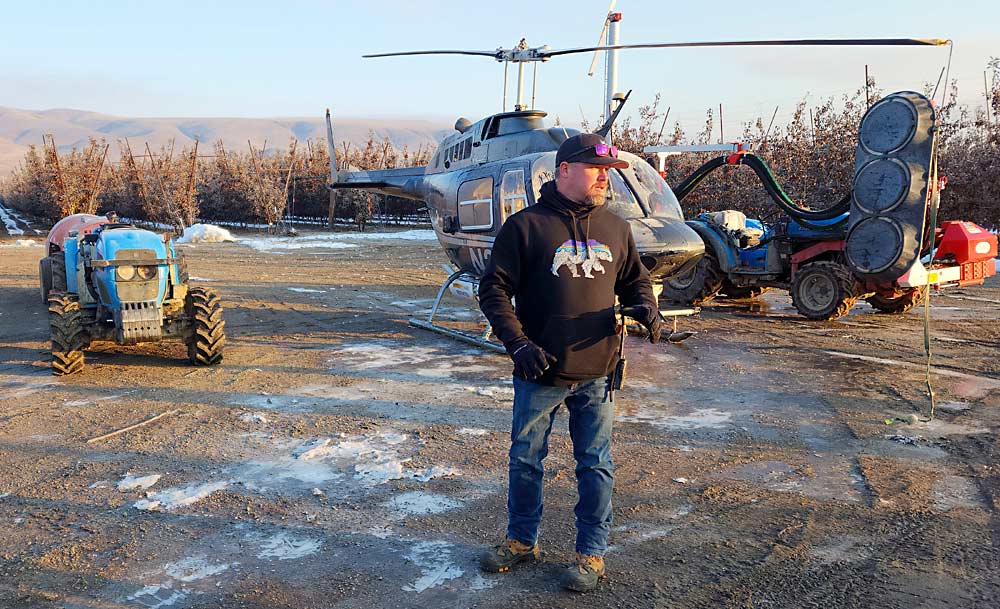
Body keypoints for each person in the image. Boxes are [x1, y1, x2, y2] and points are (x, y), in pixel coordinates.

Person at [477, 133, 662, 592]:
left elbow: (635, 280)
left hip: (598, 372)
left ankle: (591, 554)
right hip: (538, 370)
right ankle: (522, 541)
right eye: (596, 170)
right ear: (563, 171)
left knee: (595, 464)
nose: (605, 179)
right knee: (525, 461)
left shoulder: (617, 228)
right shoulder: (526, 227)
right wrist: (517, 344)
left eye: (609, 173)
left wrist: (646, 307)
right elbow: (493, 290)